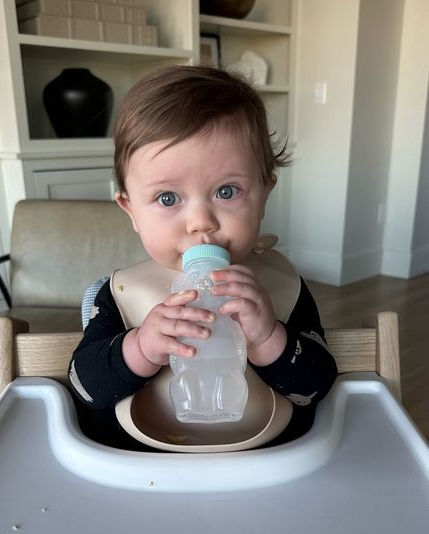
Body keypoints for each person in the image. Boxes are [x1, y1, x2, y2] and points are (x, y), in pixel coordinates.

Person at [68, 65, 338, 449]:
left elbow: (315, 388)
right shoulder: (119, 293)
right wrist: (142, 348)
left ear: (264, 193)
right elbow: (84, 387)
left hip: (267, 466)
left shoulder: (283, 286)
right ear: (131, 211)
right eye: (167, 198)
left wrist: (268, 337)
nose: (200, 223)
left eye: (227, 192)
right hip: (143, 468)